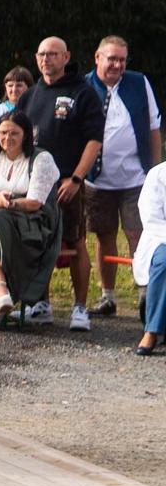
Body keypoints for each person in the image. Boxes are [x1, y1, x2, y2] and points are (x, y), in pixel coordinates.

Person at [21, 36, 105, 331]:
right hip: (33, 186)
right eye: (42, 54)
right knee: (37, 242)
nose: (47, 59)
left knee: (76, 242)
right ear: (36, 58)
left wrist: (77, 178)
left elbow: (94, 140)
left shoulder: (83, 93)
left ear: (66, 57)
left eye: (53, 54)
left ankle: (80, 308)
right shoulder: (29, 96)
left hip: (68, 182)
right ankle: (42, 304)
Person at [84, 36, 160, 316]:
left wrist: (154, 170)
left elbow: (153, 127)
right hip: (96, 179)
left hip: (137, 178)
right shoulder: (84, 86)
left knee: (139, 234)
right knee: (103, 236)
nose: (117, 64)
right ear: (97, 57)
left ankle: (145, 295)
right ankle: (108, 297)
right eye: (111, 58)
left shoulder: (139, 82)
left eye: (122, 60)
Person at [0, 110, 62, 329]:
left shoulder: (41, 159)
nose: (7, 138)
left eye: (14, 133)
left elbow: (35, 203)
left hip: (34, 224)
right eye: (2, 133)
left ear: (26, 135)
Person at [133, 159, 166, 355]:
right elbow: (151, 220)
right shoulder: (157, 175)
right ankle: (152, 330)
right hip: (161, 238)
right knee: (164, 263)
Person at [0, 66, 34, 153]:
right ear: (5, 88)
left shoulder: (37, 109)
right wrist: (8, 142)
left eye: (19, 85)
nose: (14, 89)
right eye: (10, 85)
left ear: (29, 87)